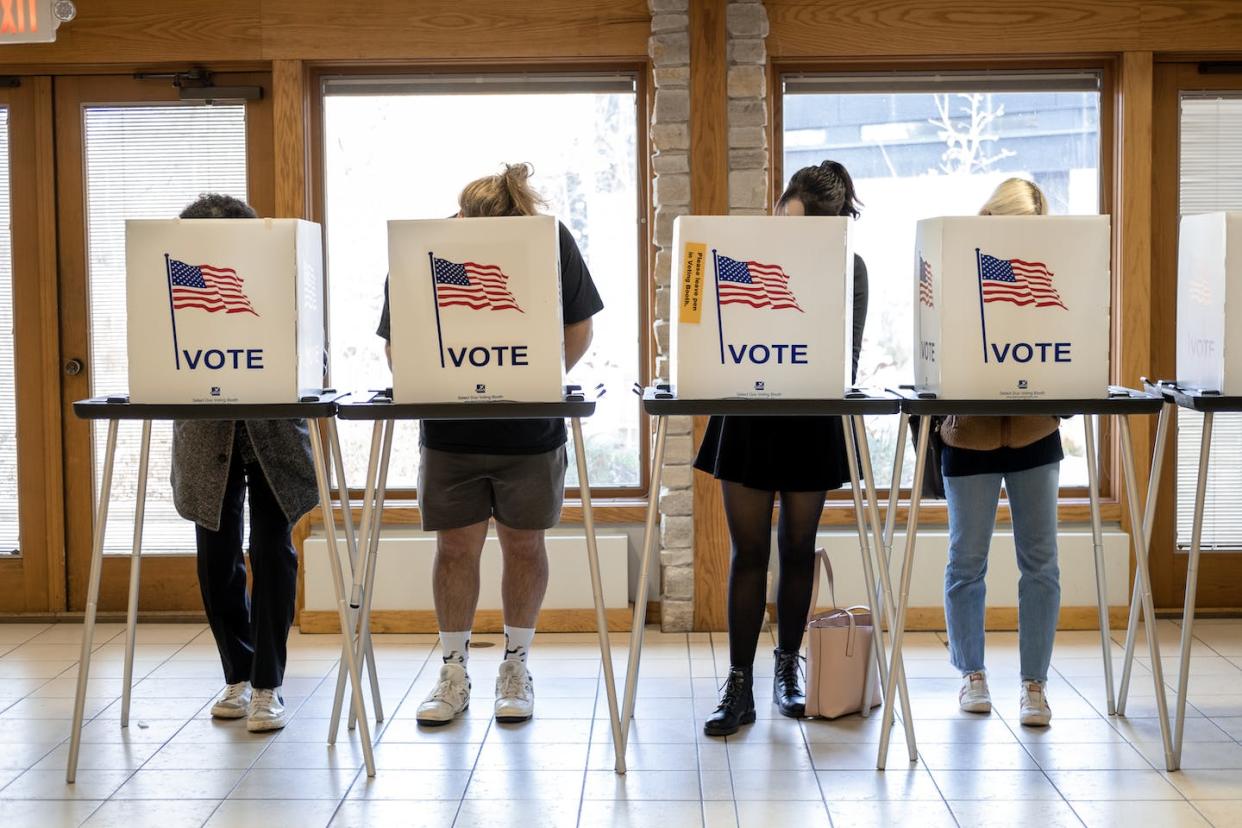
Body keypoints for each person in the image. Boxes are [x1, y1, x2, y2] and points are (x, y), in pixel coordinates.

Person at [376, 163, 603, 726]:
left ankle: (516, 665)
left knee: (525, 546)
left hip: (531, 432)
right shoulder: (427, 247)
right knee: (455, 548)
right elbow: (397, 340)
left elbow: (580, 326)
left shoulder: (550, 240)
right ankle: (453, 670)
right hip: (451, 432)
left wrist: (534, 384)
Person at [694, 161, 868, 736]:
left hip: (809, 421)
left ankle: (787, 671)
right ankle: (738, 684)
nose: (785, 235)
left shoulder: (851, 269)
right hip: (746, 416)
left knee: (798, 548)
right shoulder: (746, 258)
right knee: (748, 554)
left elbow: (847, 359)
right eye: (780, 222)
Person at [171, 193, 318, 733]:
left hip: (273, 428)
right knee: (216, 552)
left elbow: (313, 348)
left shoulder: (283, 271)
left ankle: (267, 684)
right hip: (204, 427)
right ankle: (236, 673)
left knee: (272, 549)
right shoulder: (175, 277)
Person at [941, 177, 1060, 727]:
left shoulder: (1051, 272)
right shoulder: (957, 265)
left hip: (1035, 430)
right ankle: (972, 673)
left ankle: (1034, 685)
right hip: (970, 433)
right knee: (968, 560)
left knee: (1041, 564)